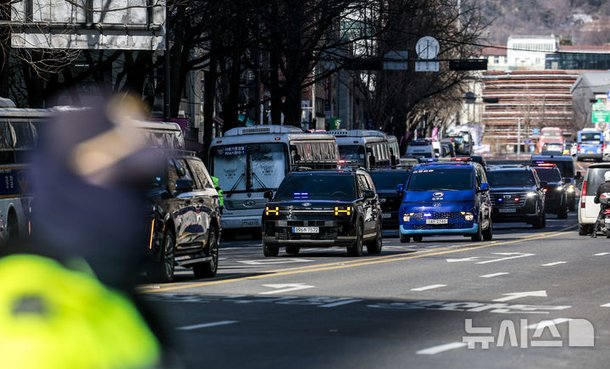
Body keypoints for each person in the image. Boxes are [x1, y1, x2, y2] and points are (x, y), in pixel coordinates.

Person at [592, 171, 610, 238]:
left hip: (604, 207)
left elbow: (597, 197)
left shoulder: (601, 186)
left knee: (599, 218)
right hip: (605, 207)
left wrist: (596, 201)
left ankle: (594, 233)